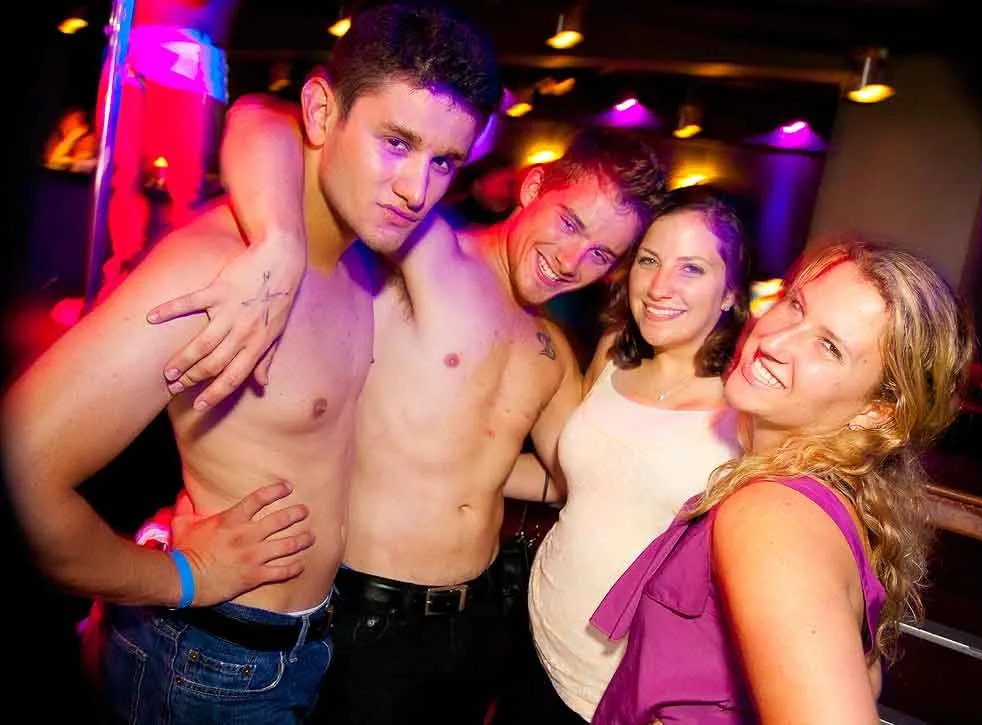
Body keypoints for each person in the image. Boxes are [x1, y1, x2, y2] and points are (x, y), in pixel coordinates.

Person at [1, 3, 500, 722]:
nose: (417, 190)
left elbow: (258, 115)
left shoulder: (359, 256)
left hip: (306, 646)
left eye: (444, 161)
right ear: (322, 114)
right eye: (396, 142)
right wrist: (177, 575)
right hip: (209, 660)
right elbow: (20, 470)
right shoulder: (217, 273)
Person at [141, 105, 665, 720]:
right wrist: (279, 238)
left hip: (476, 621)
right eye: (570, 223)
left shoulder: (554, 349)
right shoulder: (428, 250)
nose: (572, 260)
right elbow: (263, 118)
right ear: (532, 188)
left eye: (601, 254)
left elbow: (582, 476)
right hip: (367, 617)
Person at [589, 237, 974, 724]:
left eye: (829, 347)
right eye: (795, 305)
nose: (772, 340)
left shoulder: (771, 515)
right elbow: (861, 673)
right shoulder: (828, 494)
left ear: (878, 411)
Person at [491, 184, 750, 723]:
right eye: (649, 260)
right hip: (538, 634)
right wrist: (463, 470)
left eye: (691, 268)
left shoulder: (746, 404)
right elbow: (578, 481)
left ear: (730, 293)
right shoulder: (614, 353)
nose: (659, 286)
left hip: (635, 688)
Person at [96, 0, 241, 295]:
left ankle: (183, 279)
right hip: (131, 48)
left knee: (186, 185)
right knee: (123, 174)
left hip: (189, 50)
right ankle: (122, 269)